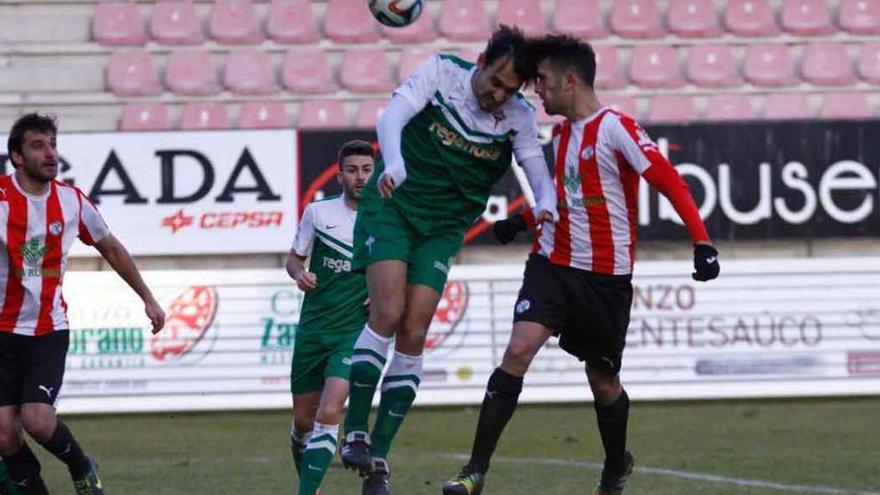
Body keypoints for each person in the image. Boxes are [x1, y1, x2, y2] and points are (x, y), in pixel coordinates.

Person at [442, 35, 721, 495]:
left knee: (603, 380)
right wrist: (524, 221)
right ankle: (474, 471)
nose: (539, 92)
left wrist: (702, 242)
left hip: (604, 279)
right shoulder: (562, 135)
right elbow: (570, 202)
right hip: (552, 264)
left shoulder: (617, 129)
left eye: (545, 83)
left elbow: (670, 181)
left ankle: (615, 465)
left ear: (570, 80)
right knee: (517, 352)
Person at [340, 25, 558, 495]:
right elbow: (392, 116)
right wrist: (393, 161)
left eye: (510, 89)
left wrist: (546, 201)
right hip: (394, 205)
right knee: (389, 313)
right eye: (495, 81)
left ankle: (378, 461)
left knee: (415, 331)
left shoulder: (517, 116)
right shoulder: (443, 72)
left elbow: (536, 169)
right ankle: (353, 430)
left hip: (442, 229)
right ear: (480, 62)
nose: (499, 95)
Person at [0, 113, 166, 495]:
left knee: (38, 421)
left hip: (46, 329)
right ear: (18, 157)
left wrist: (147, 297)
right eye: (38, 146)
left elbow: (110, 246)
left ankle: (81, 465)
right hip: (2, 333)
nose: (50, 154)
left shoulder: (71, 201)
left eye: (53, 145)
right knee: (6, 436)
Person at [286, 140, 375, 495]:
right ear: (340, 175)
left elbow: (405, 266)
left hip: (353, 331)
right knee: (304, 422)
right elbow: (294, 259)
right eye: (352, 170)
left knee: (328, 414)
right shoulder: (318, 213)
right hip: (313, 329)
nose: (360, 177)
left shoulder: (386, 218)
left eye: (367, 170)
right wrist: (299, 275)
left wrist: (384, 289)